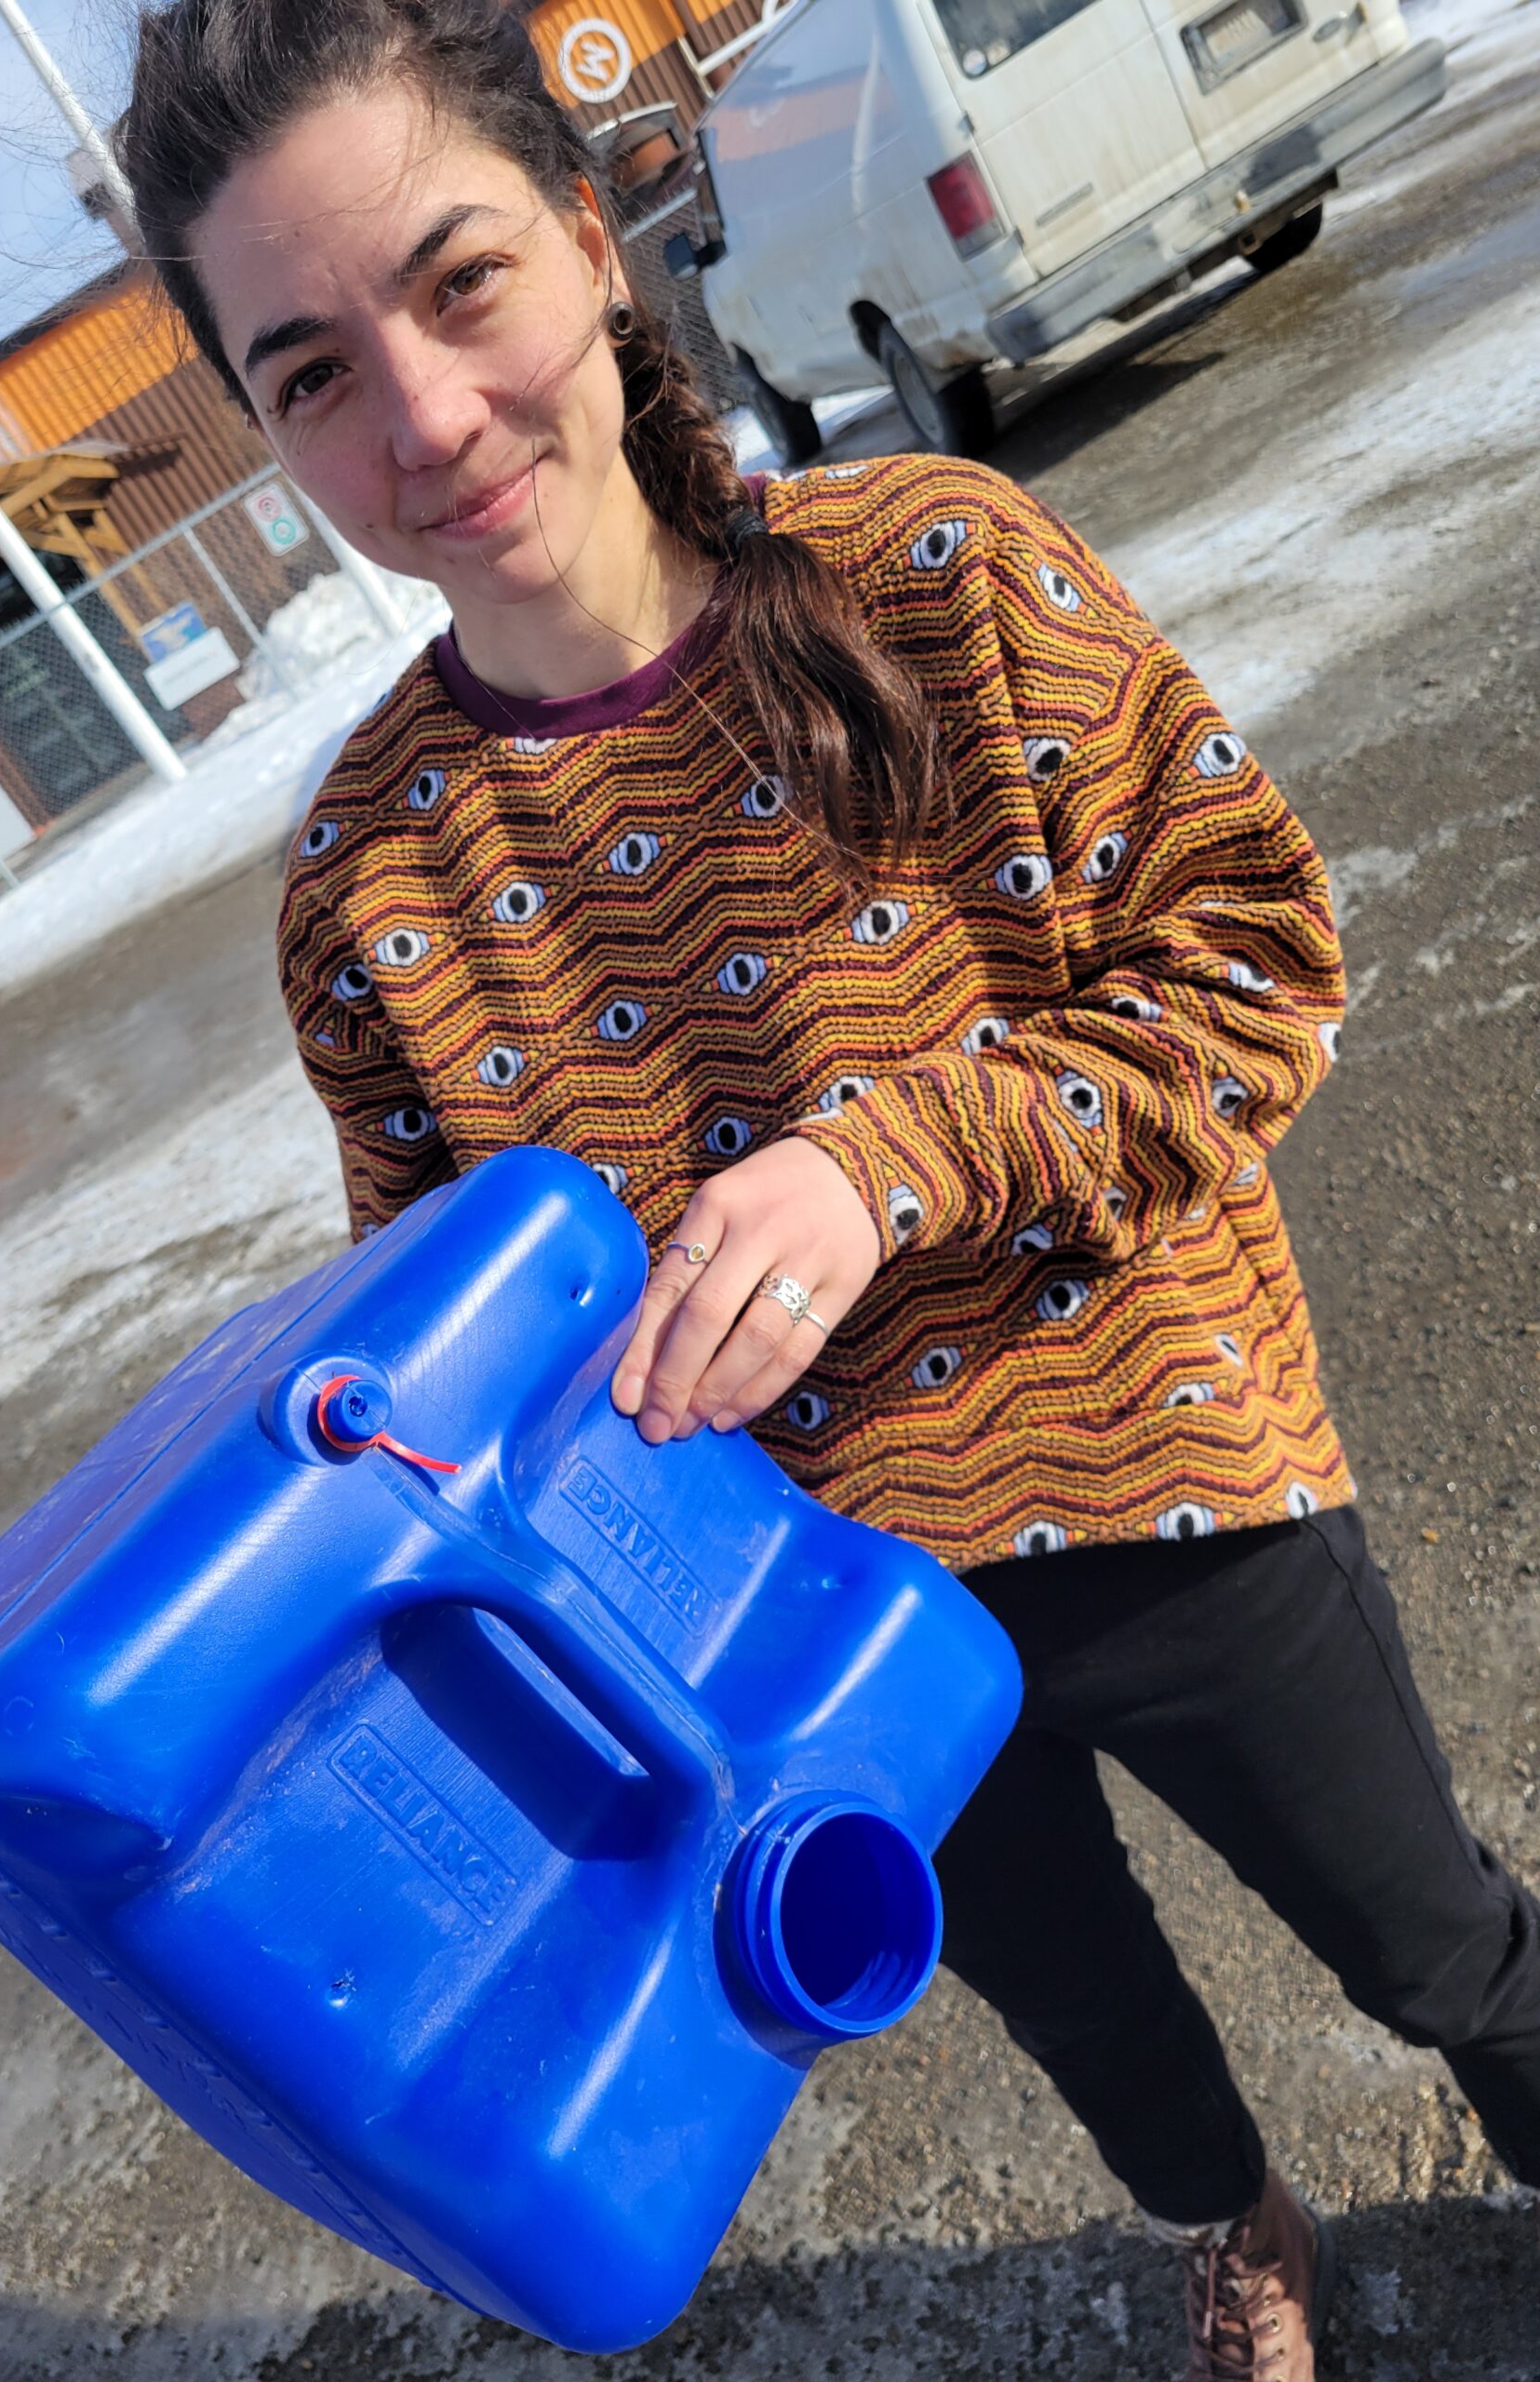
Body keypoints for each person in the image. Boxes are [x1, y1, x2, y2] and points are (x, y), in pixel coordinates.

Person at [118, 4, 1540, 2372]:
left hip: (1160, 1463)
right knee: (1087, 2019)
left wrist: (887, 1165)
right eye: (312, 372)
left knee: (1426, 1930)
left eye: (460, 283)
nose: (429, 417)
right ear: (268, 437)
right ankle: (1237, 2213)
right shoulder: (369, 875)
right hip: (800, 1629)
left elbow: (1262, 955)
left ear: (589, 241)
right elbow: (450, 1341)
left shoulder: (940, 573)